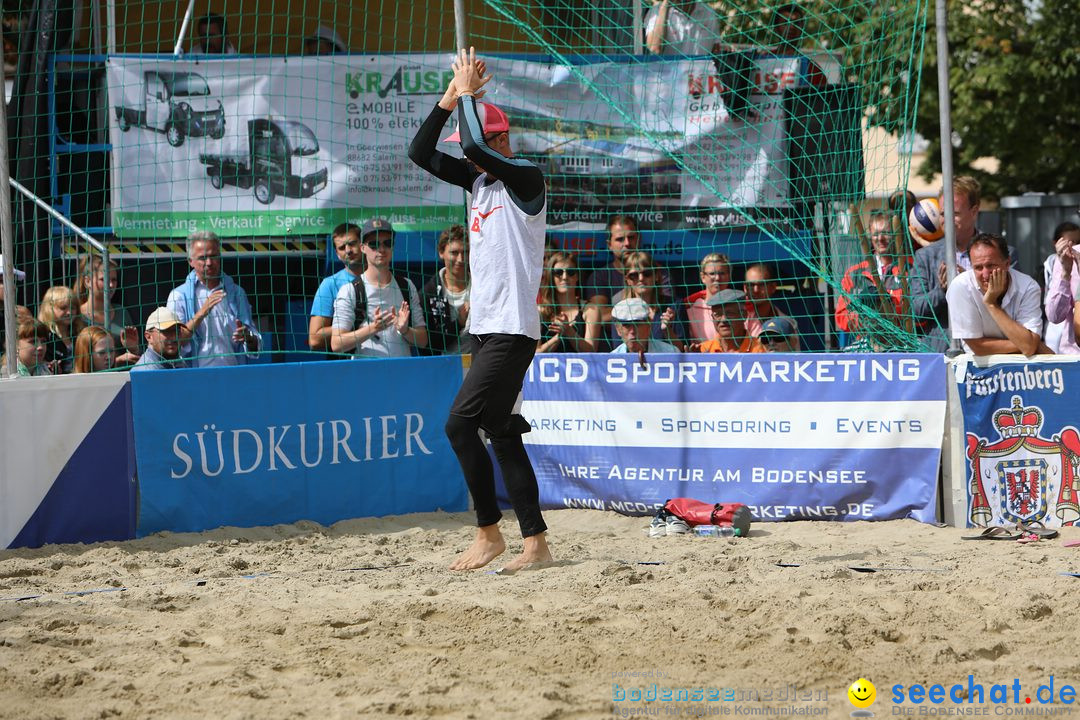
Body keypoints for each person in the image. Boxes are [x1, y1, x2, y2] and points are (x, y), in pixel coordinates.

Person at [408, 47, 552, 572]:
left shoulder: (525, 179)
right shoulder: (478, 183)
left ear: (500, 143)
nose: (467, 158)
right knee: (502, 430)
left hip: (513, 330)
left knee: (458, 426)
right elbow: (420, 153)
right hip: (486, 328)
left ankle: (489, 533)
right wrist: (450, 98)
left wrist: (469, 95)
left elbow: (471, 142)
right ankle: (536, 544)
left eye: (477, 151)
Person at [910, 176, 1016, 352]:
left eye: (955, 214)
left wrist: (969, 284)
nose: (946, 220)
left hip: (989, 353)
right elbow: (914, 309)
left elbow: (1013, 304)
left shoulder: (1004, 254)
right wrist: (942, 291)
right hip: (941, 354)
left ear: (974, 211)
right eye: (943, 214)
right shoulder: (925, 257)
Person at [330, 218, 427, 358]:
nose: (381, 249)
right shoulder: (350, 290)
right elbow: (337, 344)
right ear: (363, 248)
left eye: (387, 243)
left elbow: (423, 340)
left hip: (402, 373)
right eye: (374, 244)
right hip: (366, 374)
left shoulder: (406, 286)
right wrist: (373, 328)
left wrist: (405, 330)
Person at [166, 231, 262, 367]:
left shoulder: (236, 293)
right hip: (195, 377)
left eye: (214, 256)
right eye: (203, 258)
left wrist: (249, 337)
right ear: (190, 261)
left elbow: (256, 343)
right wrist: (202, 312)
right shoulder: (178, 296)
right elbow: (173, 342)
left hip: (233, 374)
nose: (209, 263)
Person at [945, 234, 1048, 357]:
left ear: (1007, 263)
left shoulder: (1028, 286)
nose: (985, 274)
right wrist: (1031, 344)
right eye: (978, 267)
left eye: (991, 266)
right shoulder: (960, 286)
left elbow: (1028, 346)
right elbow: (977, 347)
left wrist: (991, 304)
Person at [583, 215, 673, 328]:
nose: (626, 243)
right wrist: (639, 305)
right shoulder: (599, 276)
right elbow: (599, 317)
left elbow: (664, 309)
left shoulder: (658, 271)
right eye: (620, 239)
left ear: (638, 239)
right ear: (609, 244)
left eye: (631, 237)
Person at [835, 212, 910, 335]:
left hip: (902, 343)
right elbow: (841, 316)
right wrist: (866, 320)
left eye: (885, 233)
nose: (880, 238)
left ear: (895, 233)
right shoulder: (855, 273)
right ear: (869, 235)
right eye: (875, 234)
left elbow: (920, 315)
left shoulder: (908, 269)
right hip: (867, 343)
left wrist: (890, 312)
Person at [309, 222, 366, 354]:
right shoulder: (330, 284)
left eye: (352, 243)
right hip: (347, 363)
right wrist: (356, 322)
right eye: (341, 247)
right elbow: (314, 339)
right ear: (337, 253)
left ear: (363, 244)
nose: (348, 250)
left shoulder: (384, 278)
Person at [73, 255, 140, 366]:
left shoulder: (121, 312)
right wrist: (116, 361)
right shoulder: (77, 316)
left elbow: (137, 356)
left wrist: (134, 349)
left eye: (114, 280)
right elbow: (76, 361)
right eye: (103, 279)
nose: (110, 285)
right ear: (88, 281)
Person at [610, 250, 683, 351]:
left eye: (647, 273)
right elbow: (620, 351)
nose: (641, 278)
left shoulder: (674, 306)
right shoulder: (621, 311)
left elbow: (683, 352)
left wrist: (667, 331)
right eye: (634, 275)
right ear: (627, 280)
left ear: (657, 275)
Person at [422, 224, 472, 355]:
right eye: (454, 253)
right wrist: (459, 323)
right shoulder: (428, 292)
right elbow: (429, 344)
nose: (461, 259)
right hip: (443, 366)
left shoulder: (482, 287)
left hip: (481, 363)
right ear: (441, 252)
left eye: (466, 252)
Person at [537, 251, 601, 353]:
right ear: (551, 277)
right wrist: (558, 337)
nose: (565, 277)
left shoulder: (590, 310)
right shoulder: (540, 311)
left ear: (577, 276)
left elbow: (591, 351)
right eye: (558, 272)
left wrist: (569, 331)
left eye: (570, 272)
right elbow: (535, 354)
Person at [1042, 221, 1080, 353]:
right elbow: (1054, 316)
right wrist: (1066, 273)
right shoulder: (1068, 257)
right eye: (1071, 242)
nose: (1074, 246)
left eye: (1077, 241)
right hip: (1074, 357)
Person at [743, 262, 799, 349]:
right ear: (745, 288)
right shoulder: (739, 322)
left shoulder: (788, 324)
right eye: (751, 285)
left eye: (761, 284)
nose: (756, 290)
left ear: (773, 287)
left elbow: (795, 358)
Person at [684, 252, 732, 344]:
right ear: (703, 277)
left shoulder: (742, 308)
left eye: (722, 273)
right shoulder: (690, 312)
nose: (717, 278)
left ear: (729, 276)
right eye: (712, 273)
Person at [696, 288, 766, 353]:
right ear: (712, 318)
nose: (724, 319)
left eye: (730, 313)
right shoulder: (703, 351)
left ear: (744, 315)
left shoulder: (761, 350)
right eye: (718, 314)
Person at [38, 285, 86, 375]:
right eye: (63, 308)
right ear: (49, 308)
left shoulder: (80, 332)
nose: (69, 313)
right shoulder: (45, 336)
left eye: (73, 308)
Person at [644, 0, 720, 56]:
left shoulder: (709, 13)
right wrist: (665, 8)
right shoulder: (656, 12)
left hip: (697, 76)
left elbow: (715, 51)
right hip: (667, 75)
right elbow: (654, 50)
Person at [610, 297, 680, 354]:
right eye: (626, 325)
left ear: (648, 325)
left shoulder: (670, 354)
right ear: (618, 330)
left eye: (637, 324)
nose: (632, 331)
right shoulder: (610, 360)